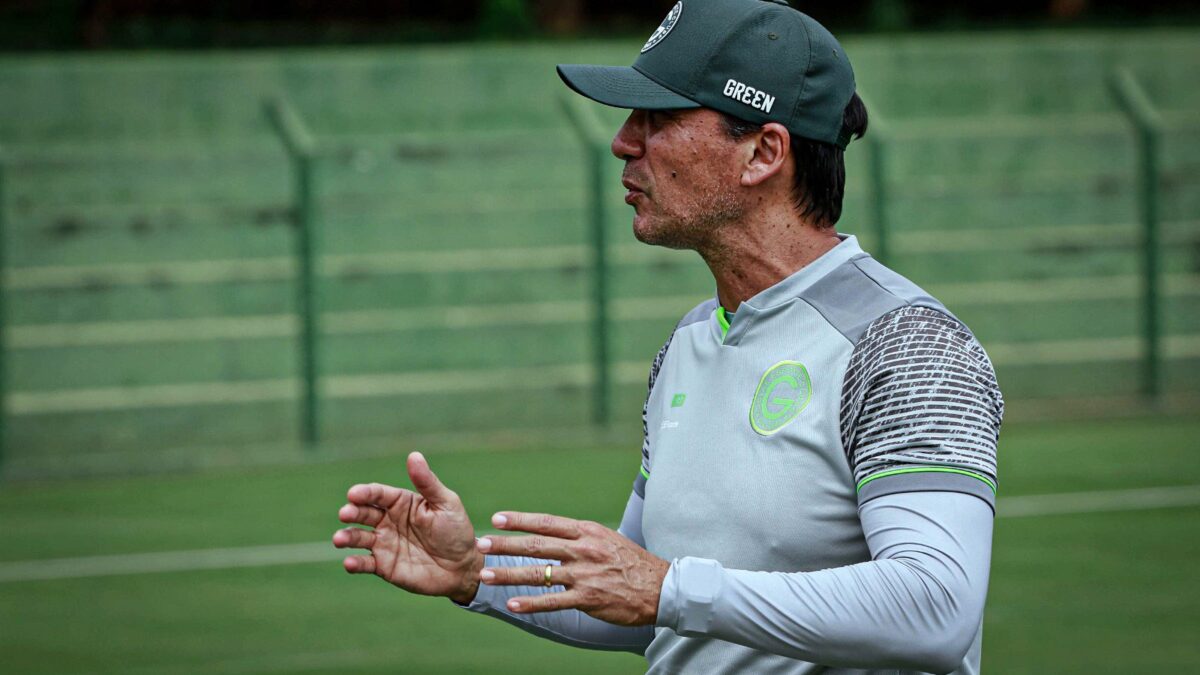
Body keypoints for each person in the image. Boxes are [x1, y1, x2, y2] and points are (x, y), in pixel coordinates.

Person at [332, 1, 1004, 673]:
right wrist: (477, 570)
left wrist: (670, 587)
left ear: (764, 152)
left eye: (660, 119)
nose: (625, 142)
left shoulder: (907, 344)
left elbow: (936, 607)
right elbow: (638, 598)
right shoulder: (687, 344)